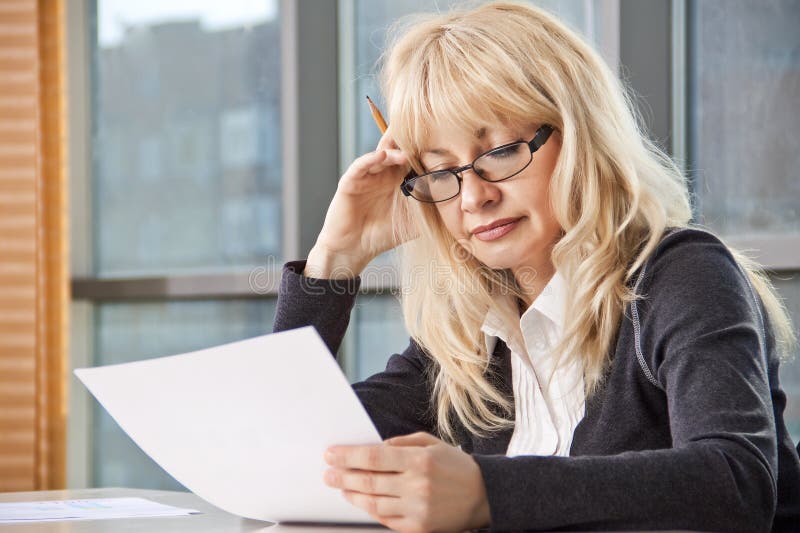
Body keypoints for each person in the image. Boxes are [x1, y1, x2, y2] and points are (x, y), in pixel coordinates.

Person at [273, 2, 800, 531]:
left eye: (500, 150)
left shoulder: (681, 275)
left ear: (577, 137)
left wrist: (486, 492)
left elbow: (735, 482)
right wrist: (335, 260)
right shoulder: (469, 339)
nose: (474, 197)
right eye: (441, 170)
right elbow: (288, 449)